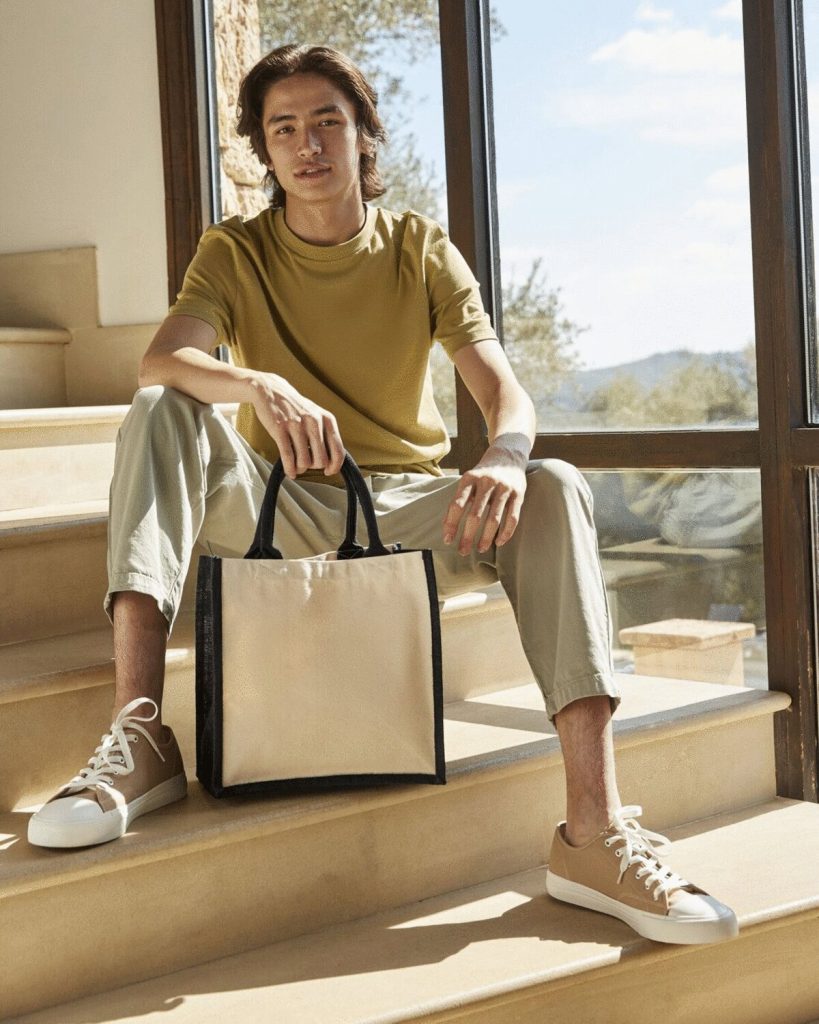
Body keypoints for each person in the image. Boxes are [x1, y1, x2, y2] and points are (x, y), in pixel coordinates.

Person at [27, 43, 737, 946]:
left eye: (327, 120)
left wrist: (507, 455)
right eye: (282, 128)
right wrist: (257, 388)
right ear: (264, 151)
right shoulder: (233, 250)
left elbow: (503, 395)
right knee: (161, 406)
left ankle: (591, 835)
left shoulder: (419, 248)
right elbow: (163, 357)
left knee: (552, 485)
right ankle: (141, 738)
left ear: (365, 135)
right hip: (274, 506)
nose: (306, 144)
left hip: (404, 512)